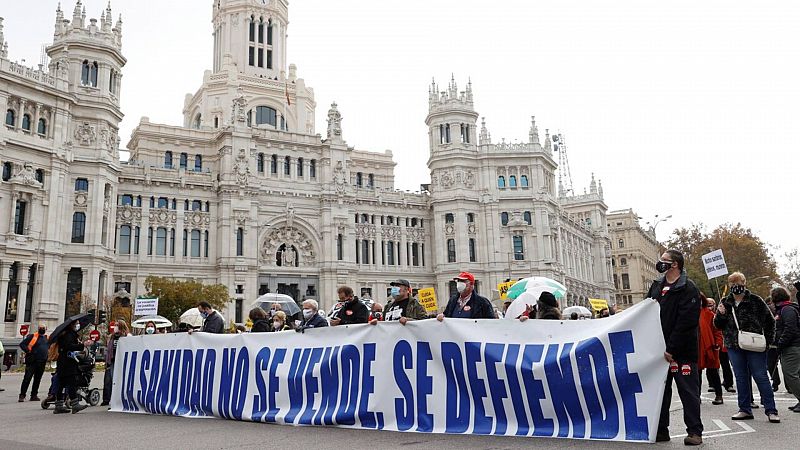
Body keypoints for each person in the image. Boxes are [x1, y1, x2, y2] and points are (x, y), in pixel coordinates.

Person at [646, 249, 703, 445]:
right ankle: (661, 430)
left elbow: (686, 323)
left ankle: (695, 431)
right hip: (659, 351)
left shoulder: (688, 288)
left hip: (682, 352)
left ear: (675, 264)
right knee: (661, 393)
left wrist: (672, 348)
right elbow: (645, 313)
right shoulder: (656, 286)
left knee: (688, 392)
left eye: (664, 260)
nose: (660, 263)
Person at [713, 272, 779, 423]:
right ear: (729, 286)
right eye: (733, 284)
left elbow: (770, 321)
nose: (736, 287)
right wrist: (721, 314)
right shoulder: (725, 302)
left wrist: (768, 342)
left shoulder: (755, 300)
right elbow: (717, 325)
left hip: (754, 344)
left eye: (739, 283)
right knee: (741, 377)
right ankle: (744, 409)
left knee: (760, 376)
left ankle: (771, 410)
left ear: (744, 283)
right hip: (734, 345)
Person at [772, 286, 800, 412]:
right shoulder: (785, 309)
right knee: (794, 375)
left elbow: (790, 329)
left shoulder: (787, 309)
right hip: (791, 346)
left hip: (791, 347)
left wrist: (781, 343)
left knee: (790, 375)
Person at [54, 320, 92, 414]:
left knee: (62, 383)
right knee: (72, 382)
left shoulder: (64, 334)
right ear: (72, 324)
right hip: (68, 362)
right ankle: (75, 404)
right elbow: (70, 346)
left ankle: (58, 405)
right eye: (76, 323)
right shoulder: (69, 334)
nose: (78, 325)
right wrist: (83, 345)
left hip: (62, 361)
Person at [698, 295, 724, 405]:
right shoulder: (688, 314)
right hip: (696, 347)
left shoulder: (709, 314)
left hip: (710, 347)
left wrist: (718, 343)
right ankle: (696, 396)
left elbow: (717, 330)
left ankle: (719, 395)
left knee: (713, 372)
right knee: (696, 374)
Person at [101, 320, 130, 406]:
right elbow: (108, 350)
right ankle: (106, 399)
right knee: (108, 380)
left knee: (119, 380)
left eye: (117, 325)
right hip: (112, 361)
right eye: (115, 325)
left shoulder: (126, 337)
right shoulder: (111, 337)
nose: (115, 327)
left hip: (121, 361)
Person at [18, 324, 48, 402]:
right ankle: (22, 395)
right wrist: (28, 351)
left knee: (37, 379)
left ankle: (34, 395)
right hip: (32, 362)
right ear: (38, 329)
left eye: (43, 328)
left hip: (42, 362)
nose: (42, 329)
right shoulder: (33, 336)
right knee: (27, 379)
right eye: (40, 328)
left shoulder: (46, 338)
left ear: (46, 329)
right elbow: (22, 344)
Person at [765, 296, 782, 391]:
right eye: (769, 304)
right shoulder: (766, 314)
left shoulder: (782, 312)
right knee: (770, 365)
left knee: (786, 367)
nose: (771, 305)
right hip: (771, 344)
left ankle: (789, 386)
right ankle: (775, 382)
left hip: (782, 343)